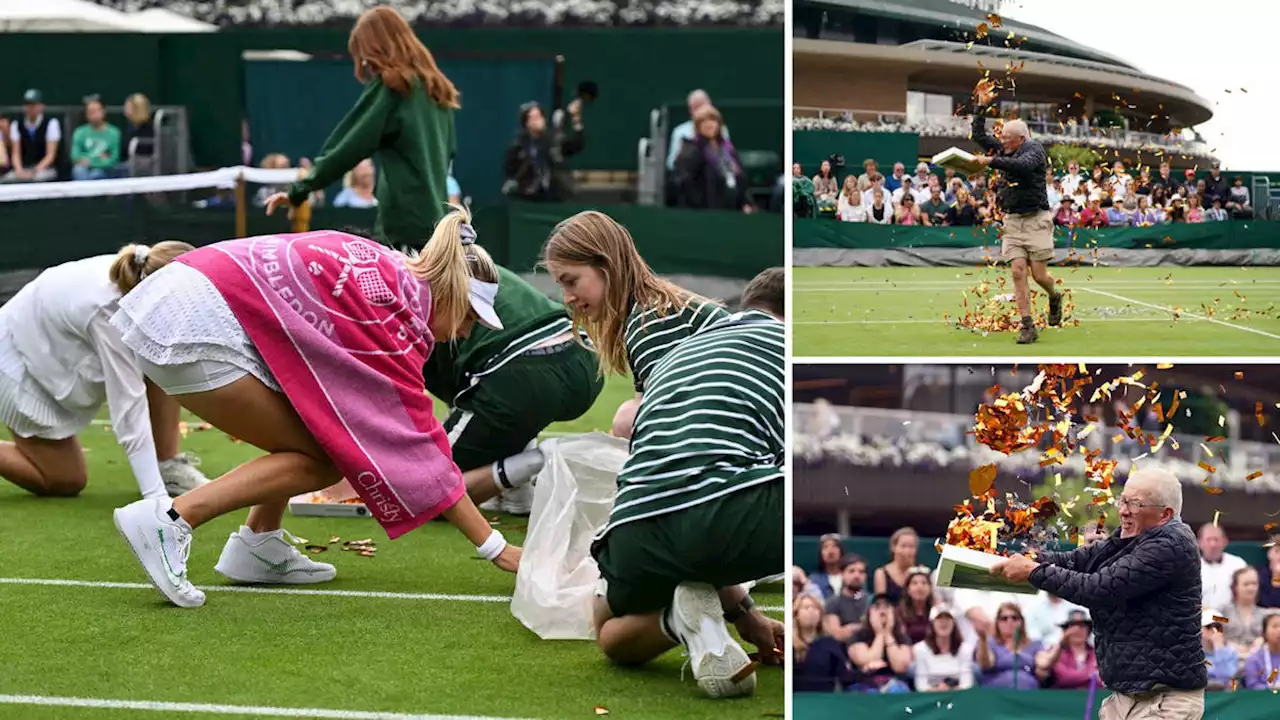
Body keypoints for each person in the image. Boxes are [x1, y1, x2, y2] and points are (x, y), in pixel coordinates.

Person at [109, 207, 521, 609]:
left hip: (182, 301)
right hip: (194, 326)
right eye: (469, 317)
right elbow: (418, 446)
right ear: (450, 292)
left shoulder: (387, 272)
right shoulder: (395, 319)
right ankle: (171, 520)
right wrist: (496, 548)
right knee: (323, 460)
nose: (465, 332)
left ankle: (258, 544)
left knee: (317, 431)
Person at [543, 210, 784, 698]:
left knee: (608, 625)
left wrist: (743, 610)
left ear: (607, 266)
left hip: (686, 504)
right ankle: (696, 608)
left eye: (572, 281)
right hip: (727, 497)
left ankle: (691, 610)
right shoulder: (655, 313)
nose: (568, 298)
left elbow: (676, 442)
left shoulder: (650, 321)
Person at [991, 468, 1207, 718]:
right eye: (1123, 500)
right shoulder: (1136, 535)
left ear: (1164, 514)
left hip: (1166, 701)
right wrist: (1024, 560)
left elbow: (1098, 588)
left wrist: (1033, 571)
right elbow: (1077, 560)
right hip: (1127, 698)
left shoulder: (1170, 544)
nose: (1124, 510)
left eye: (1135, 504)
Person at [0, 243, 209, 499]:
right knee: (64, 480)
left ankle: (168, 468)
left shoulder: (149, 268)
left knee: (161, 352)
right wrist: (154, 498)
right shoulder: (109, 312)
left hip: (52, 340)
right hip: (18, 358)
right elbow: (128, 407)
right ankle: (160, 483)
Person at [265, 6, 459, 247]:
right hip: (438, 227)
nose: (367, 64)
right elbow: (449, 154)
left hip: (402, 230)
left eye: (367, 56)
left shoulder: (393, 88)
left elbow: (349, 146)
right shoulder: (439, 92)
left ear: (378, 49)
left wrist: (301, 189)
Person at [423, 259, 604, 515]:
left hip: (524, 376)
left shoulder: (420, 285)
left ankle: (537, 461)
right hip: (582, 358)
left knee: (422, 490)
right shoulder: (474, 262)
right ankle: (518, 487)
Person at [969, 80, 1065, 345]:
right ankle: (1027, 325)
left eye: (1007, 140)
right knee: (1017, 272)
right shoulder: (1005, 148)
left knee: (1039, 275)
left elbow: (1020, 167)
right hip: (1012, 220)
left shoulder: (1034, 150)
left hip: (1036, 220)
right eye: (1002, 140)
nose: (1002, 143)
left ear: (1021, 139)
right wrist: (980, 108)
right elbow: (979, 136)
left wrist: (990, 161)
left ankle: (1054, 295)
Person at [849, 593, 913, 693]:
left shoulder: (901, 637)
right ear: (869, 612)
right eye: (877, 607)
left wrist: (887, 633)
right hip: (864, 683)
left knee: (897, 690)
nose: (882, 611)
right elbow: (867, 661)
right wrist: (879, 634)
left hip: (895, 683)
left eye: (887, 607)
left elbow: (900, 666)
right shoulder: (858, 636)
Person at [793, 593, 856, 692]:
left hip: (823, 699)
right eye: (806, 607)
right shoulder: (790, 644)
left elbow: (845, 676)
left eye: (815, 608)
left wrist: (866, 671)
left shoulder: (830, 644)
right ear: (796, 615)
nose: (811, 611)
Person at [913, 604, 973, 691]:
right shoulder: (920, 649)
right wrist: (938, 690)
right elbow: (921, 685)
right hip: (931, 695)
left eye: (948, 618)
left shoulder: (964, 649)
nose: (944, 622)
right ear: (932, 624)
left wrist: (949, 690)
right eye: (939, 618)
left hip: (957, 695)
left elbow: (966, 683)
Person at [1035, 609, 1098, 689]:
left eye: (1082, 626)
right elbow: (1064, 678)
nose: (1077, 630)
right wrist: (1091, 675)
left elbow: (1101, 680)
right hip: (1062, 698)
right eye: (1073, 626)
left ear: (1089, 630)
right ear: (1065, 631)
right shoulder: (1056, 653)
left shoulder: (1097, 653)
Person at [1200, 522, 1248, 610]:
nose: (1213, 544)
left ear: (1225, 542)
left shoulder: (1238, 564)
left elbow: (1248, 593)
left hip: (1231, 618)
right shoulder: (1190, 567)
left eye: (1216, 539)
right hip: (1200, 618)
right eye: (1208, 539)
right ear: (1199, 543)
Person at [873, 526, 919, 604]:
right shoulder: (881, 573)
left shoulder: (921, 572)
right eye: (903, 546)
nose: (907, 551)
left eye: (911, 547)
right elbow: (881, 604)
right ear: (894, 547)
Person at [1201, 610, 1240, 690]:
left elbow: (1228, 675)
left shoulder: (1231, 652)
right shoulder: (1195, 655)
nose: (1214, 631)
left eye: (1218, 627)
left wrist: (1219, 648)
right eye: (1209, 627)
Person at [1242, 611, 1280, 690]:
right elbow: (1252, 686)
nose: (1279, 630)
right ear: (1264, 633)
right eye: (1275, 626)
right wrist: (1272, 689)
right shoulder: (1254, 659)